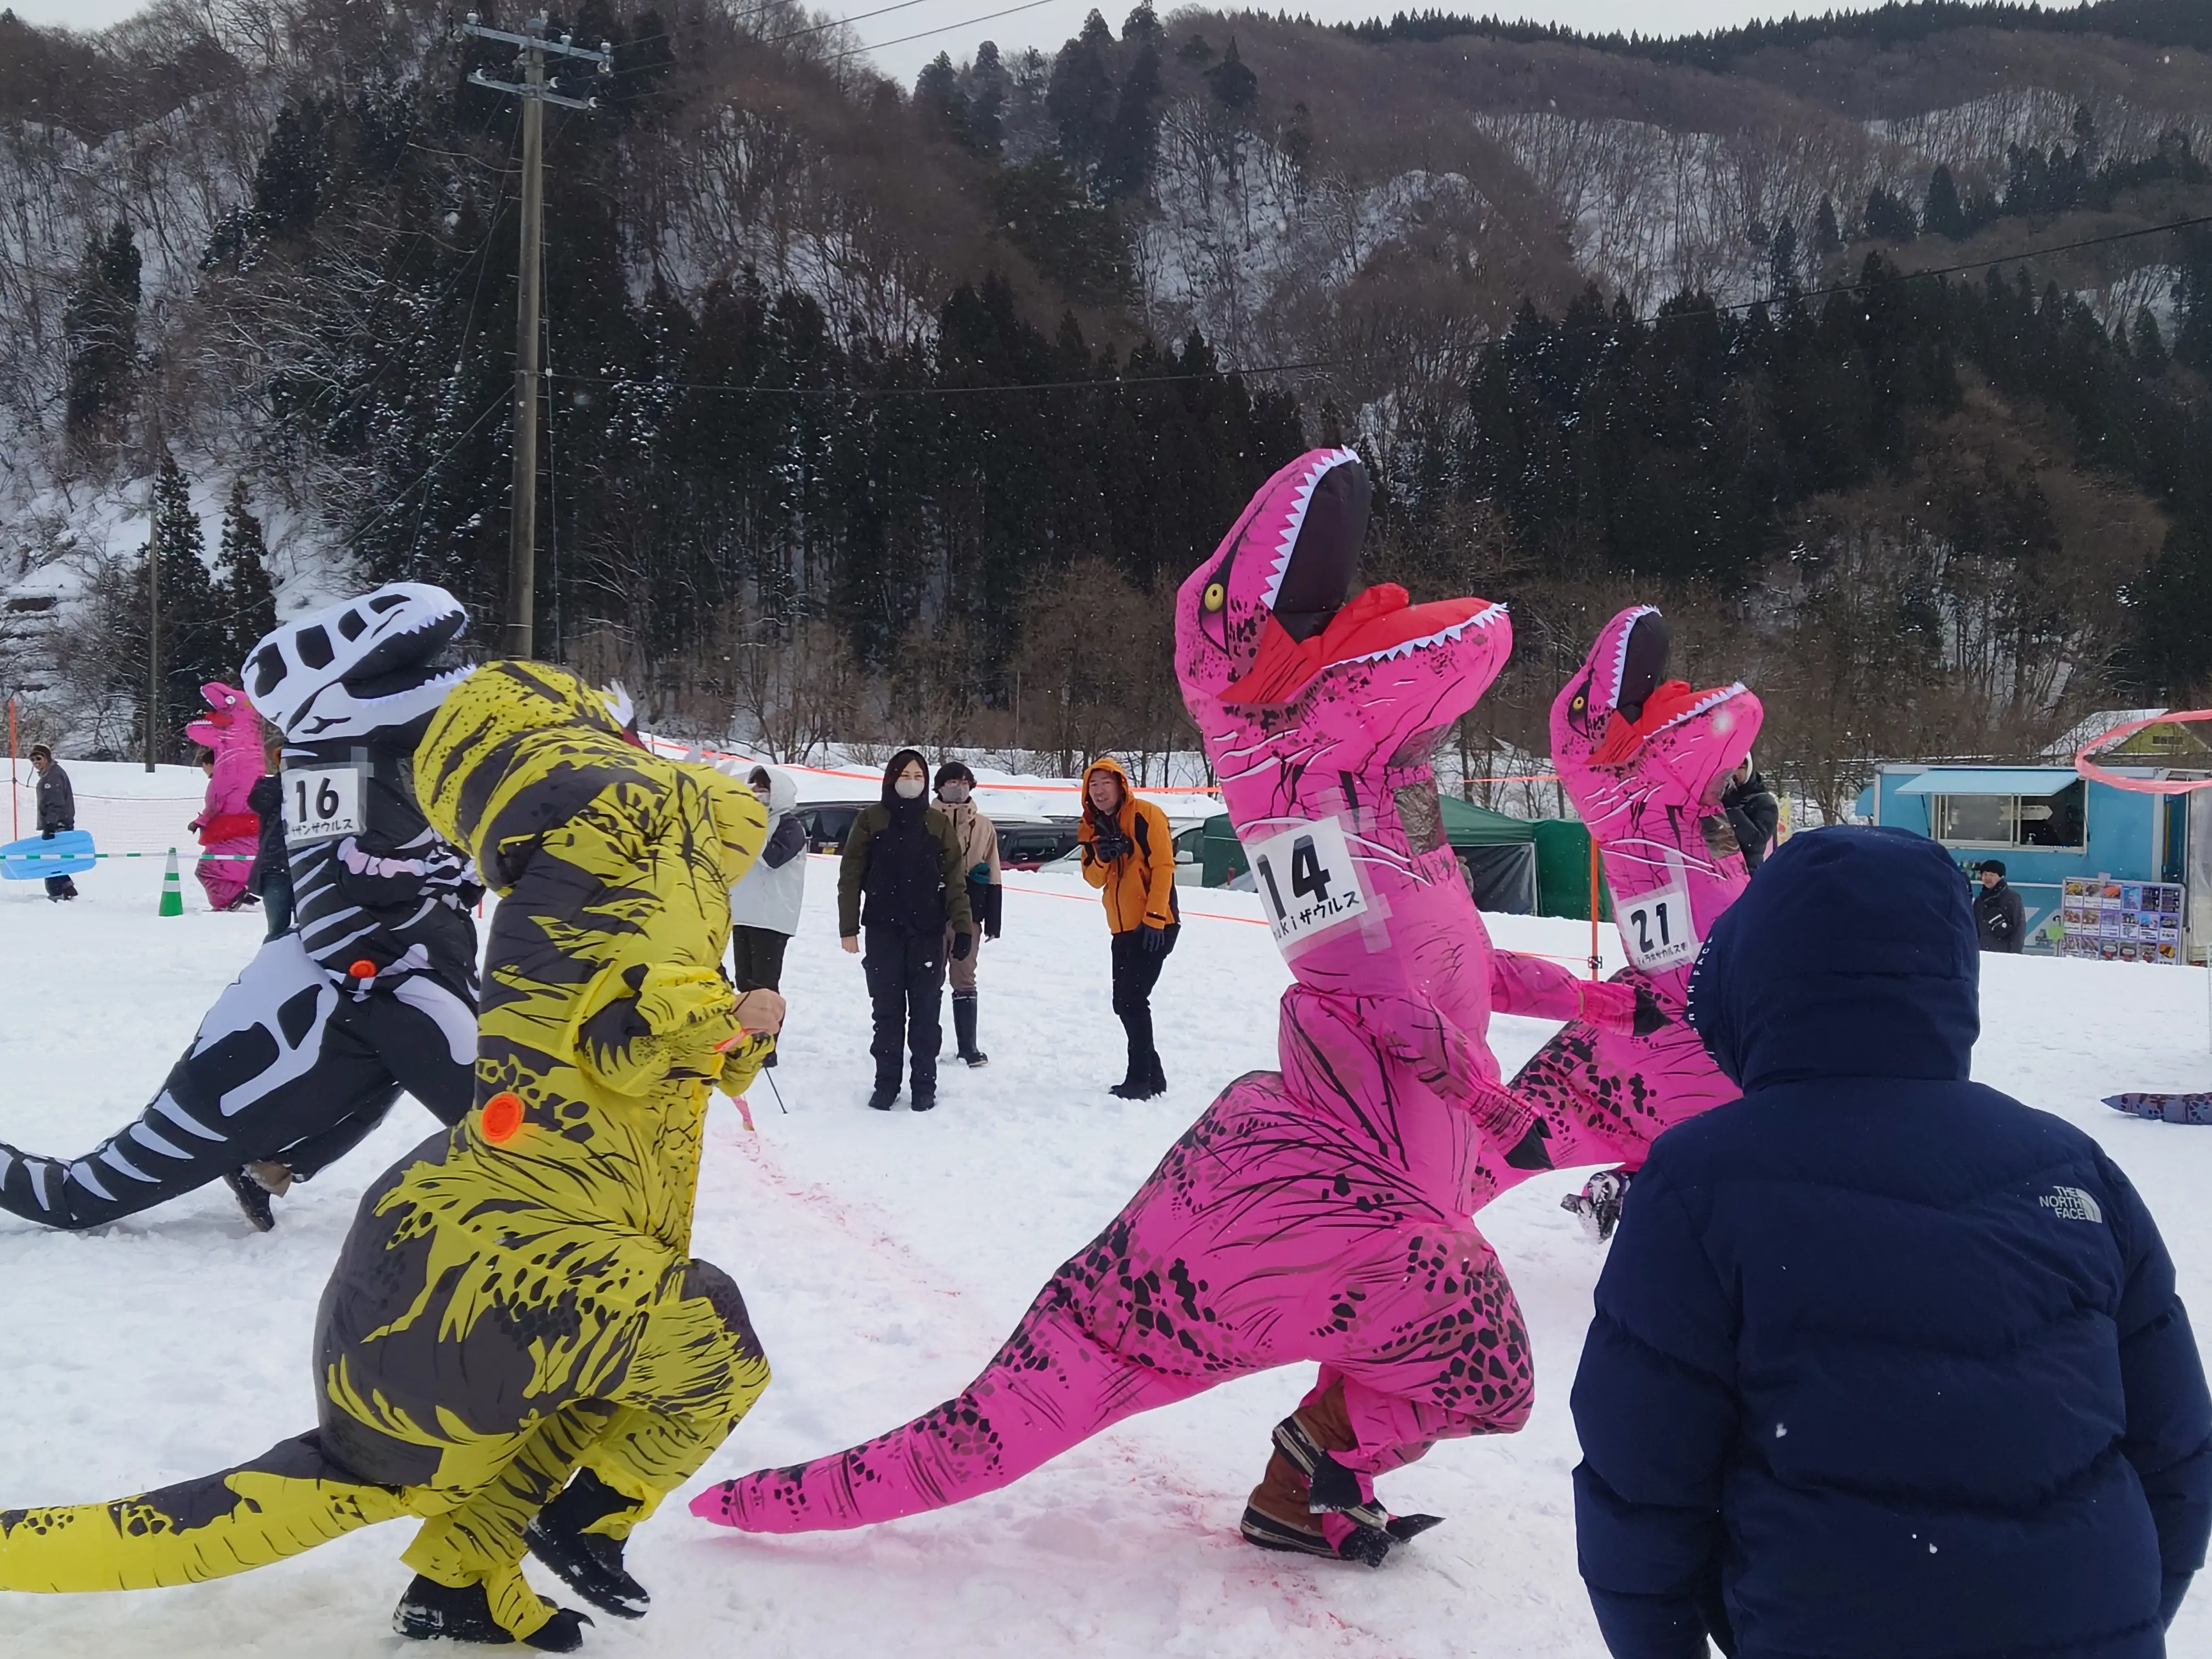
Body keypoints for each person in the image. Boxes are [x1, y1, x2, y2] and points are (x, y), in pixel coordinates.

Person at [0, 656, 785, 1653]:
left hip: (508, 1210)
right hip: (478, 1250)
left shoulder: (606, 843)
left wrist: (730, 1027)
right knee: (707, 1345)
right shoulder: (593, 841)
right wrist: (712, 1013)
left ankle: (457, 1585)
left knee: (585, 1397)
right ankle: (588, 1515)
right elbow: (604, 1039)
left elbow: (667, 1041)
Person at [1570, 825, 2212, 1659]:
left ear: (1751, 978)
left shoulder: (1701, 1182)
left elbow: (1640, 1484)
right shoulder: (2074, 1168)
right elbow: (2178, 1458)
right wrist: (2111, 1622)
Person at [0, 588, 483, 1234]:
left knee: (405, 1076)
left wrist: (449, 869)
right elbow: (345, 887)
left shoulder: (383, 771)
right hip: (355, 990)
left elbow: (384, 866)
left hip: (374, 984)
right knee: (78, 1200)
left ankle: (268, 1165)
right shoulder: (330, 770)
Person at [837, 748, 974, 1113]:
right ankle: (886, 1083)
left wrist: (962, 928)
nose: (911, 783)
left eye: (918, 777)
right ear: (891, 778)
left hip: (928, 933)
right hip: (882, 931)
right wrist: (848, 928)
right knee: (887, 1012)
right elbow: (850, 877)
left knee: (926, 1013)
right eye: (905, 775)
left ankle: (924, 1085)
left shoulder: (937, 823)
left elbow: (955, 880)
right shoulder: (871, 820)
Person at [1077, 756, 1178, 1099]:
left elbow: (1164, 866)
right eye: (1093, 784)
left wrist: (1154, 918)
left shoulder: (1145, 815)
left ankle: (1140, 1080)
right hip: (1120, 927)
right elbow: (1092, 879)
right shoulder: (1092, 826)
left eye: (1106, 782)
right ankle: (1154, 1076)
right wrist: (1104, 856)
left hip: (1155, 924)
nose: (1100, 790)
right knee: (1125, 1002)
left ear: (1121, 785)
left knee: (1133, 1000)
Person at [725, 763, 806, 1071]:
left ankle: (766, 1044)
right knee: (745, 982)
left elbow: (773, 859)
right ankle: (745, 1039)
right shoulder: (749, 822)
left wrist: (750, 827)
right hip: (744, 913)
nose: (758, 794)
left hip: (773, 917)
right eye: (754, 788)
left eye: (764, 789)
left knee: (766, 984)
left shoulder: (790, 826)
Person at [934, 760, 1002, 1067]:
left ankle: (968, 1046)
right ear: (939, 786)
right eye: (952, 781)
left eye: (964, 781)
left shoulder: (984, 825)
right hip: (928, 911)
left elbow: (994, 870)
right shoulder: (924, 819)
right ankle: (927, 1042)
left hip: (969, 912)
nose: (958, 787)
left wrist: (993, 918)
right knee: (928, 977)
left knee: (965, 976)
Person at [185, 680, 264, 911]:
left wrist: (215, 717)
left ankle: (232, 897)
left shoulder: (230, 740)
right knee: (231, 865)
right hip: (249, 825)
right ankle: (239, 892)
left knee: (207, 869)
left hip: (234, 828)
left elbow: (193, 728)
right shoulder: (251, 744)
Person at [246, 734, 292, 939]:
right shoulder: (269, 786)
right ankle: (272, 966)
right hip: (277, 866)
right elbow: (257, 801)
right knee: (277, 931)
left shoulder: (319, 785)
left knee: (313, 931)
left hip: (312, 865)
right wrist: (289, 778)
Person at [29, 742, 78, 901]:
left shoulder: (52, 776)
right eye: (33, 759)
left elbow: (55, 803)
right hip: (60, 823)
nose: (36, 762)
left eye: (39, 758)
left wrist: (50, 825)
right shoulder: (51, 773)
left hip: (58, 825)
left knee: (50, 860)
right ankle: (67, 887)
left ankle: (56, 893)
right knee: (57, 857)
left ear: (47, 758)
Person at [1720, 754, 1778, 873]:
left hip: (1748, 873)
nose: (1735, 773)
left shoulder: (1764, 802)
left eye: (1740, 767)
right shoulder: (1718, 800)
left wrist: (1732, 811)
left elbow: (1757, 842)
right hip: (1721, 872)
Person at [1973, 857, 2027, 952]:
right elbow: (1975, 929)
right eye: (1985, 874)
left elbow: (2019, 929)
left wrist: (2015, 954)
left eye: (1992, 875)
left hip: (2004, 955)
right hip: (1982, 954)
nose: (1987, 878)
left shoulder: (2012, 898)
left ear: (2001, 877)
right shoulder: (1979, 901)